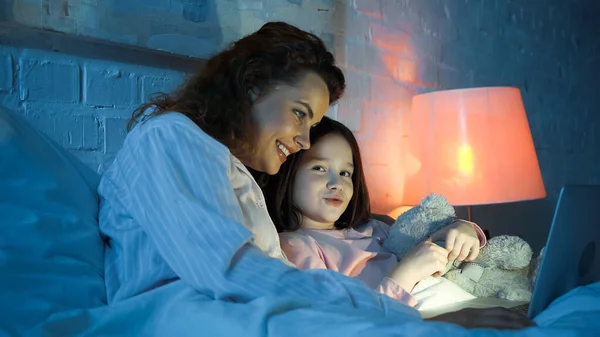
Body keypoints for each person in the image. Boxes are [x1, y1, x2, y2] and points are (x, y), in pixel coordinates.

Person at [98, 21, 534, 331]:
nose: (304, 141)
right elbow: (233, 273)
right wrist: (412, 320)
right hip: (189, 317)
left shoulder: (227, 169)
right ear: (252, 86)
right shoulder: (171, 138)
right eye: (299, 115)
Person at [262, 116, 487, 306]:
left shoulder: (374, 227)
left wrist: (463, 228)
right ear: (288, 175)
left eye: (345, 173)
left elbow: (418, 243)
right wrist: (406, 273)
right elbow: (339, 320)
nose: (336, 183)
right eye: (319, 168)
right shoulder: (295, 245)